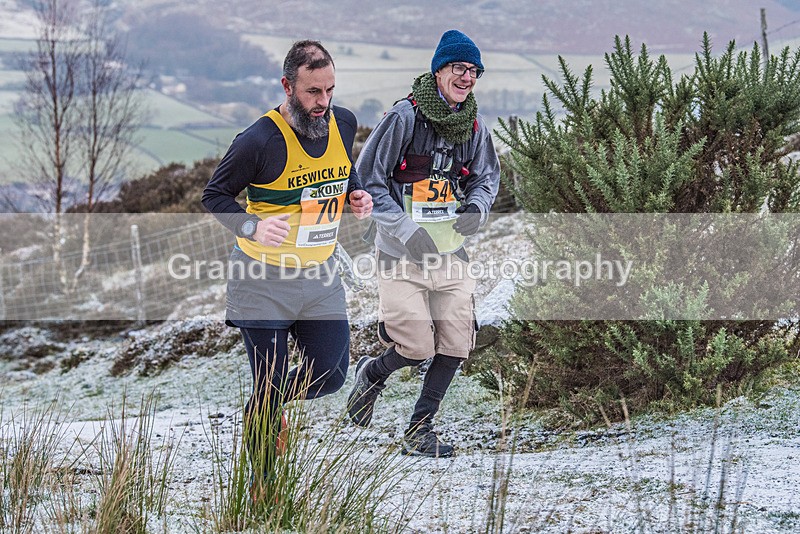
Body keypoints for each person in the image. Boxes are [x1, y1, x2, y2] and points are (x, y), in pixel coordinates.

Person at [202, 40, 372, 493]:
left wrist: (356, 193)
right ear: (288, 86)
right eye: (313, 92)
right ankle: (262, 487)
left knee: (332, 374)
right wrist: (251, 227)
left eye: (329, 90)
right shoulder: (259, 140)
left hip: (320, 277)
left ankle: (264, 407)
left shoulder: (343, 121)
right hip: (262, 281)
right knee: (270, 377)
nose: (323, 103)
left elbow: (343, 168)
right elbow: (214, 196)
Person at [347, 29, 500, 457]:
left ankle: (419, 429)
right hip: (400, 256)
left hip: (451, 255)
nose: (466, 77)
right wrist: (404, 230)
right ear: (439, 70)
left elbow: (487, 178)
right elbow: (368, 180)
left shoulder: (474, 125)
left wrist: (477, 209)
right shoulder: (404, 118)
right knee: (415, 347)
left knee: (457, 343)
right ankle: (372, 373)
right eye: (458, 68)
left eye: (474, 71)